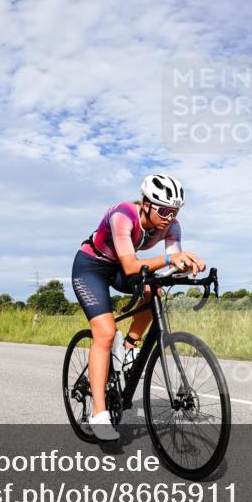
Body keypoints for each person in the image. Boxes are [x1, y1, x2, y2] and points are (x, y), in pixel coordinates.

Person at [71, 174, 205, 441]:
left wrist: (189, 268)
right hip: (91, 267)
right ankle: (99, 413)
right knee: (106, 334)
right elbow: (133, 266)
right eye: (164, 210)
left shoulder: (172, 227)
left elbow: (171, 267)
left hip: (119, 267)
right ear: (145, 203)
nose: (169, 217)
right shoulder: (123, 214)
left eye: (174, 211)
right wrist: (170, 257)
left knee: (153, 288)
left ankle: (131, 347)